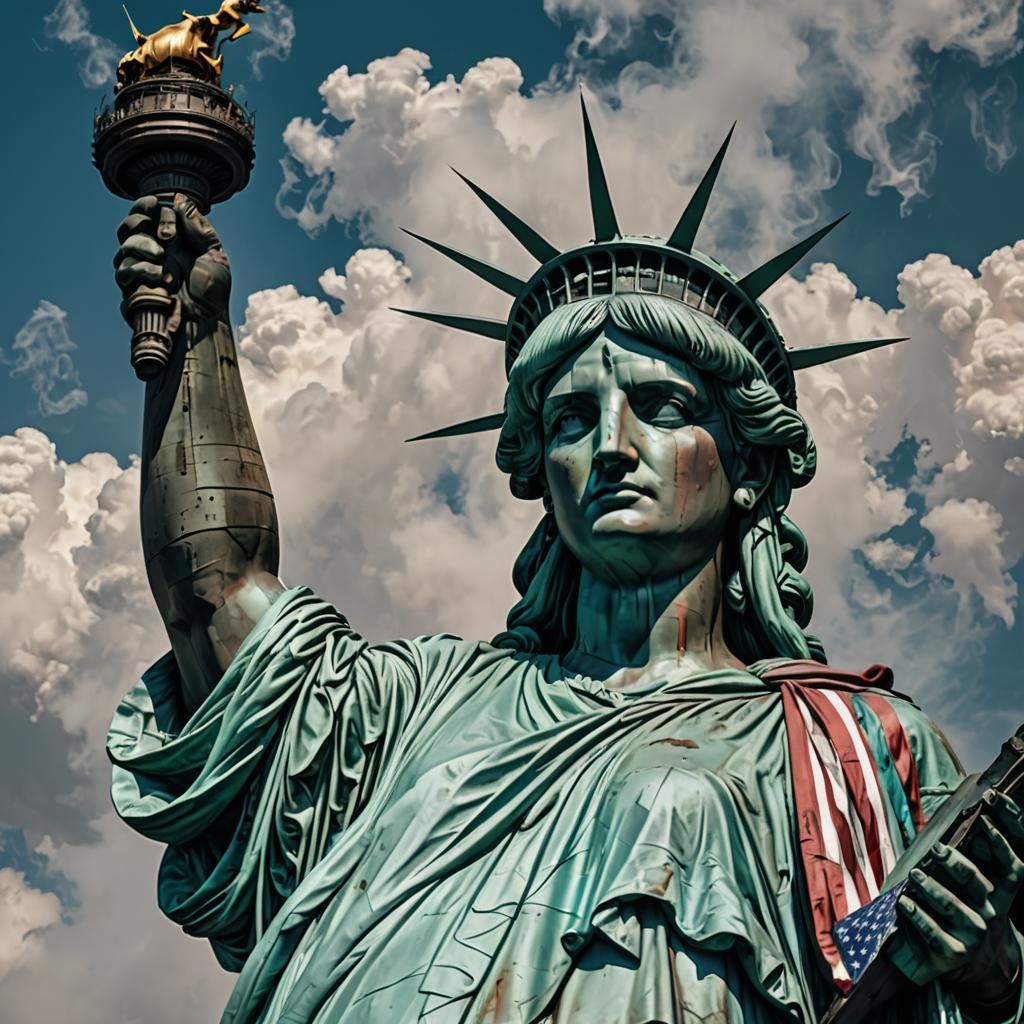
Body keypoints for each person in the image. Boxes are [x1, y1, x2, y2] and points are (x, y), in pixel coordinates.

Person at [107, 109, 1024, 1024]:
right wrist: (197, 333)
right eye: (572, 420)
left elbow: (944, 972)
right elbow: (217, 598)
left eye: (662, 406)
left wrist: (989, 974)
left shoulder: (856, 749)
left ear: (746, 467)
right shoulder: (418, 705)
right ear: (541, 469)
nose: (612, 446)